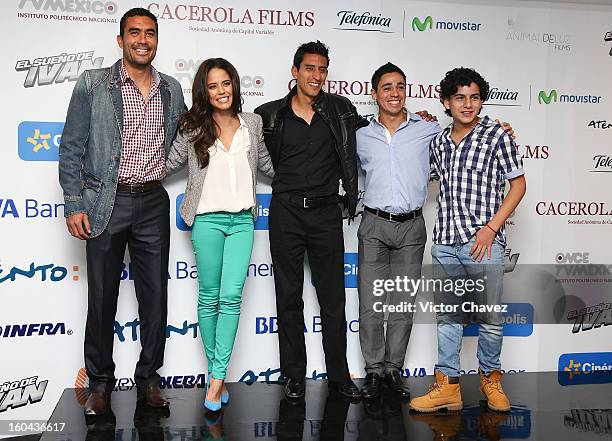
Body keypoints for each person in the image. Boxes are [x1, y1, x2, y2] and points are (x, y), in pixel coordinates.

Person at [58, 8, 185, 415]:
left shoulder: (171, 89)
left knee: (155, 297)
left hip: (152, 200)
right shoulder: (94, 84)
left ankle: (149, 379)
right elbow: (71, 146)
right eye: (134, 33)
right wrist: (75, 202)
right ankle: (99, 384)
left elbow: (181, 142)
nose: (142, 40)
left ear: (156, 40)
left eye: (150, 33)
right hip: (104, 203)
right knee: (101, 297)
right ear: (120, 40)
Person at [254, 41, 367, 400]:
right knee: (288, 298)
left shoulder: (341, 110)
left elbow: (380, 136)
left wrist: (419, 121)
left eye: (322, 70)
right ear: (295, 72)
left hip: (325, 213)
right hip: (285, 212)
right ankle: (294, 376)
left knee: (332, 298)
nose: (316, 76)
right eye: (309, 69)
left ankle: (339, 376)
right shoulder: (269, 115)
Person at [410, 67, 526, 413]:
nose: (468, 104)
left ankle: (491, 380)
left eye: (474, 97)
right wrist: (421, 121)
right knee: (448, 318)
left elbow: (518, 185)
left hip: (483, 243)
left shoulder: (496, 135)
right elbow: (421, 172)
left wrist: (492, 228)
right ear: (447, 102)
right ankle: (448, 386)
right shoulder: (440, 141)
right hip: (445, 241)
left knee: (490, 318)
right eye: (459, 97)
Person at [166, 58, 274, 411]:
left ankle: (215, 380)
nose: (221, 91)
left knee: (230, 298)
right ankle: (218, 375)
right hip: (207, 221)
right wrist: (123, 168)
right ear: (204, 91)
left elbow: (270, 167)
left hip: (243, 221)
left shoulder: (253, 124)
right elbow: (167, 165)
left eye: (225, 83)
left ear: (234, 85)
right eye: (213, 86)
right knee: (209, 298)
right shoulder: (192, 126)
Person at [356, 63, 440, 400]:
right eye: (387, 87)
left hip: (412, 226)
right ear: (374, 93)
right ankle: (374, 371)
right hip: (374, 224)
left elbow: (464, 137)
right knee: (371, 303)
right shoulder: (361, 135)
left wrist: (498, 127)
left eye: (400, 86)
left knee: (404, 303)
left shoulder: (428, 130)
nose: (394, 93)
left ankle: (393, 369)